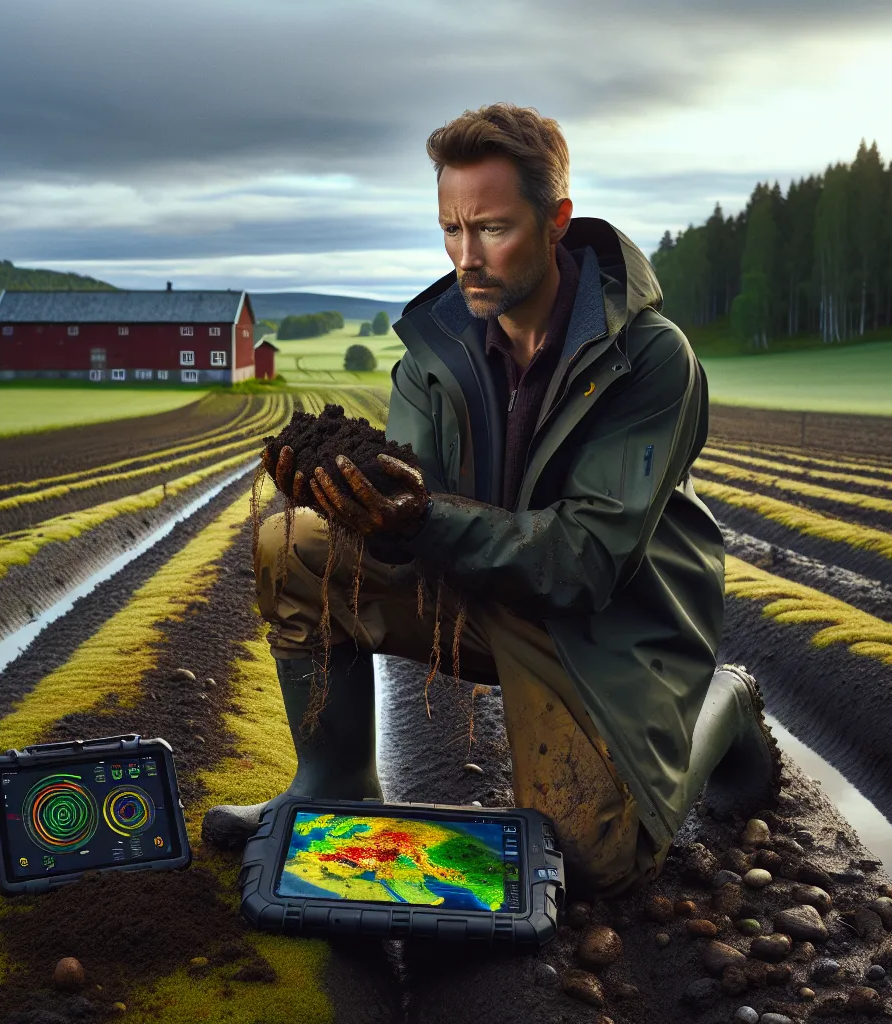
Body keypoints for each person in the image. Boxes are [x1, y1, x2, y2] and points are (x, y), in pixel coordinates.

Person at [205, 103, 778, 898]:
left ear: (556, 221)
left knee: (592, 861)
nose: (466, 258)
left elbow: (588, 559)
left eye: (492, 229)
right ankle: (333, 781)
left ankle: (723, 701)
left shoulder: (650, 359)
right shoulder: (435, 349)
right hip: (480, 586)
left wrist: (423, 518)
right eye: (451, 229)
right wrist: (365, 509)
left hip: (602, 625)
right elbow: (417, 508)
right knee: (293, 543)